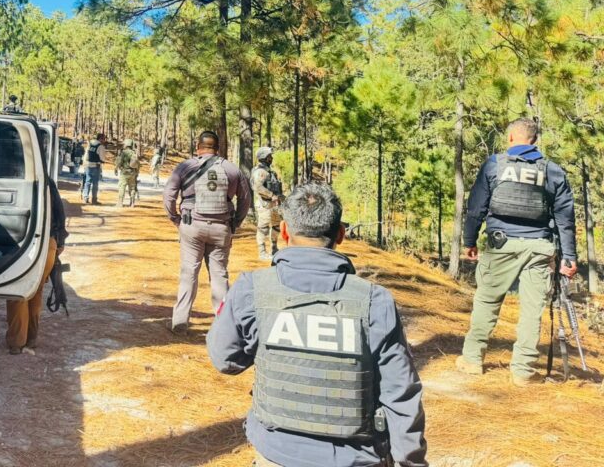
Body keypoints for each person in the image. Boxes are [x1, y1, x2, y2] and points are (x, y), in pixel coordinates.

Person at [207, 182, 428, 467]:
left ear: (284, 231)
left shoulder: (252, 289)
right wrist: (411, 462)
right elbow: (401, 394)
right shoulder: (375, 301)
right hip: (356, 458)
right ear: (340, 234)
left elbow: (225, 359)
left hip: (275, 455)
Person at [456, 117, 577, 386]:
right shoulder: (553, 171)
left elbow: (476, 207)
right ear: (534, 141)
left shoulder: (494, 165)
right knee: (532, 309)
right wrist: (569, 257)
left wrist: (470, 240)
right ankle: (523, 370)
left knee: (488, 301)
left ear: (510, 138)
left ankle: (473, 359)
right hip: (539, 247)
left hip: (501, 244)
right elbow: (565, 218)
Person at [163, 130, 250, 334]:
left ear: (197, 146)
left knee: (189, 272)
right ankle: (224, 323)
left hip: (192, 225)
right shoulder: (231, 169)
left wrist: (175, 218)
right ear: (218, 148)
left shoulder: (185, 167)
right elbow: (245, 199)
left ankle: (180, 321)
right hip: (221, 227)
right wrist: (235, 222)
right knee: (219, 275)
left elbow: (169, 194)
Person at [6, 178, 69, 355]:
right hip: (49, 242)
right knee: (36, 291)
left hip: (23, 244)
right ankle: (31, 340)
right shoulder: (47, 181)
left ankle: (16, 343)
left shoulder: (15, 181)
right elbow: (59, 213)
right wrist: (59, 242)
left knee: (16, 291)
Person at [251, 147, 284, 262]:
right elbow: (258, 187)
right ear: (265, 158)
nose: (272, 158)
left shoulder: (270, 171)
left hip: (274, 205)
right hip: (265, 204)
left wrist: (280, 197)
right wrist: (271, 195)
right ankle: (262, 252)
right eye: (270, 156)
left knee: (276, 226)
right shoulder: (260, 172)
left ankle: (274, 248)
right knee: (263, 228)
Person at [81, 133, 107, 205]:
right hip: (96, 166)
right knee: (95, 184)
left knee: (87, 182)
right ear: (101, 139)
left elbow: (86, 154)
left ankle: (85, 198)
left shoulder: (90, 144)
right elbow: (102, 158)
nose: (104, 140)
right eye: (104, 139)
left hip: (88, 165)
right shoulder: (100, 146)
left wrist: (84, 164)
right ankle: (94, 200)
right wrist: (103, 161)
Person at [116, 138, 140, 207]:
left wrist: (116, 168)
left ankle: (120, 203)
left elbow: (119, 162)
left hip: (124, 172)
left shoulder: (123, 152)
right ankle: (132, 203)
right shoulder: (134, 153)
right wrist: (137, 173)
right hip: (133, 173)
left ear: (126, 144)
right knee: (132, 188)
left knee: (122, 187)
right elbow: (138, 164)